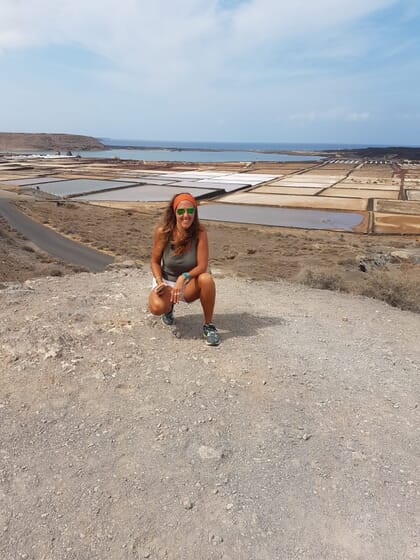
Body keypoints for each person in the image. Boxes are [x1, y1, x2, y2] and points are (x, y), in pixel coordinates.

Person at [148, 192, 221, 346]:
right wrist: (160, 281)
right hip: (167, 283)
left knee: (206, 279)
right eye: (181, 211)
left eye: (190, 211)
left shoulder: (200, 233)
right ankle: (168, 308)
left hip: (188, 284)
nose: (186, 215)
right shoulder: (163, 232)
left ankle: (208, 326)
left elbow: (202, 266)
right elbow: (154, 261)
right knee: (157, 308)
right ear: (174, 213)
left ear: (195, 212)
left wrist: (183, 277)